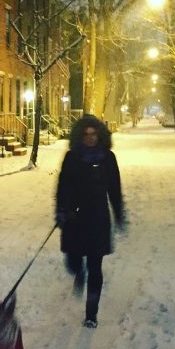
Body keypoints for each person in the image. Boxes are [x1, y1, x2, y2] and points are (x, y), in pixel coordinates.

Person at [55, 114, 125, 328]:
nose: (90, 138)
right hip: (75, 217)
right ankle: (79, 272)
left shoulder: (108, 158)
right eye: (86, 135)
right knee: (73, 261)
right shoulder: (72, 157)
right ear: (80, 136)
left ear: (100, 135)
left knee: (96, 265)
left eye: (94, 134)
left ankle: (91, 314)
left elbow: (115, 188)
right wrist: (61, 210)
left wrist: (119, 213)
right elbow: (62, 186)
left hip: (98, 218)